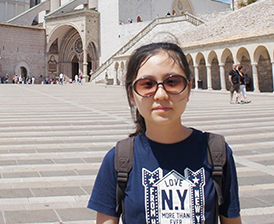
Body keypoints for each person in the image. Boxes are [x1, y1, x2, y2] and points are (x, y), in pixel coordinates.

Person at [88, 42, 241, 224]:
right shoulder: (117, 160)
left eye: (172, 82)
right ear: (131, 95)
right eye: (147, 84)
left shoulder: (216, 153)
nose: (161, 95)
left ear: (188, 89)